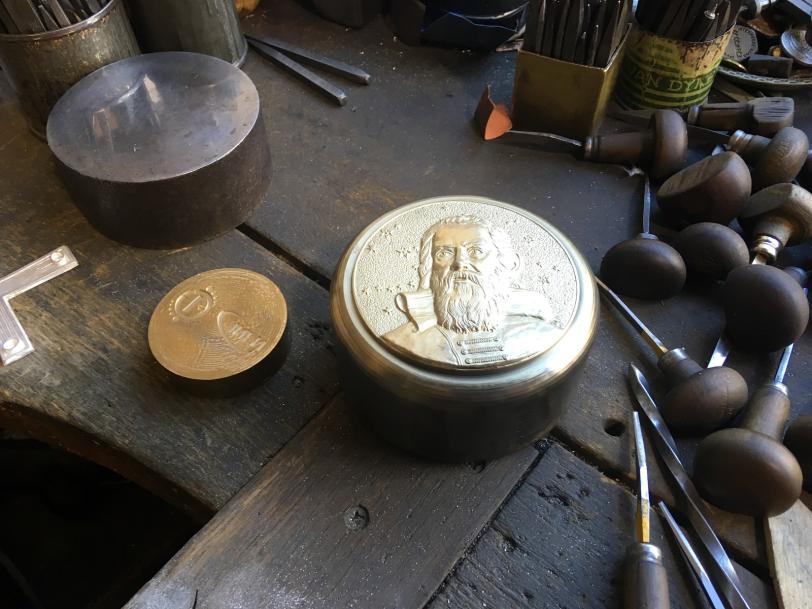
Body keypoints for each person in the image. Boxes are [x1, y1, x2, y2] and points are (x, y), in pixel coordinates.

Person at [383, 215, 560, 367]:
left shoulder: (543, 335)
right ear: (430, 269)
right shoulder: (403, 341)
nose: (459, 263)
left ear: (505, 263)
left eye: (476, 251)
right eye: (444, 253)